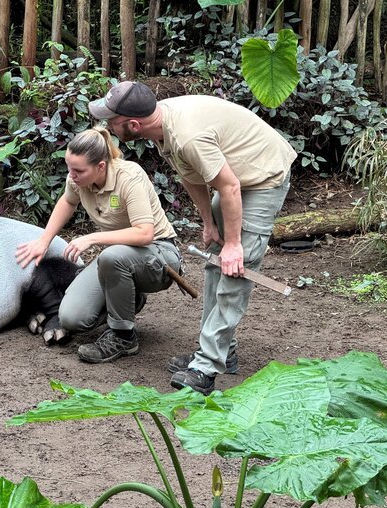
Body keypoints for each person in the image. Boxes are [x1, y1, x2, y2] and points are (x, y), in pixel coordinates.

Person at [89, 81, 296, 395]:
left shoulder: (188, 135)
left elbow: (228, 188)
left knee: (233, 269)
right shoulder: (162, 127)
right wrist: (209, 223)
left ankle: (207, 365)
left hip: (260, 175)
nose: (107, 127)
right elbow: (191, 174)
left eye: (111, 121)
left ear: (132, 124)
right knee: (215, 262)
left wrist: (235, 244)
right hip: (234, 177)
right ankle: (221, 352)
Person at [16, 127, 182, 363]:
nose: (71, 175)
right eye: (69, 168)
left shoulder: (129, 178)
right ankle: (129, 299)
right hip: (117, 258)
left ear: (101, 166)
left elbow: (144, 234)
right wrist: (44, 241)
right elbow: (67, 201)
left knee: (111, 257)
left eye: (78, 170)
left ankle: (123, 338)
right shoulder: (78, 178)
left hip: (160, 256)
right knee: (71, 317)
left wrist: (92, 238)